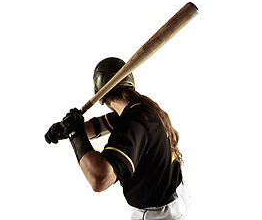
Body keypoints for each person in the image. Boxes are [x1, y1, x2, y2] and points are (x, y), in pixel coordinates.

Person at [45, 57, 191, 220]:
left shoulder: (132, 123)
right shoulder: (141, 109)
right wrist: (66, 128)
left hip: (158, 214)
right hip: (174, 195)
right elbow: (98, 126)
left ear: (102, 96)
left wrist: (75, 134)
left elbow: (99, 178)